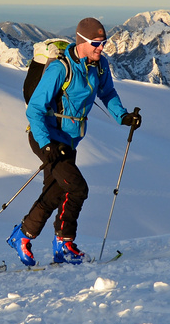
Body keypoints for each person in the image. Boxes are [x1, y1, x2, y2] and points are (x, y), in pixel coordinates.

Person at [9, 17, 142, 266]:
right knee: (78, 188)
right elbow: (35, 109)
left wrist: (123, 116)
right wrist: (46, 144)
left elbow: (108, 93)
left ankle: (22, 236)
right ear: (81, 41)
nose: (101, 48)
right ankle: (64, 244)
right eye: (96, 43)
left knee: (54, 191)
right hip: (46, 137)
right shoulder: (61, 68)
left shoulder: (99, 67)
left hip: (68, 140)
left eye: (103, 42)